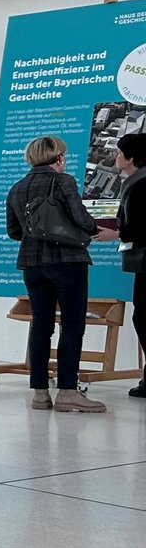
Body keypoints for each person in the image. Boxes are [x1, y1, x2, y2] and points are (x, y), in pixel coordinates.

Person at [5, 135, 112, 413]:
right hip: (67, 261)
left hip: (31, 265)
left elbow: (14, 231)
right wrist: (93, 229)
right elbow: (82, 218)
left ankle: (40, 393)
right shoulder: (62, 181)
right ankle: (67, 391)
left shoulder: (17, 187)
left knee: (41, 326)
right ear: (59, 158)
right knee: (72, 326)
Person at [117, 132, 146, 401]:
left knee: (144, 317)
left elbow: (134, 227)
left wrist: (116, 232)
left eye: (119, 153)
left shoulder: (140, 186)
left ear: (131, 158)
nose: (115, 157)